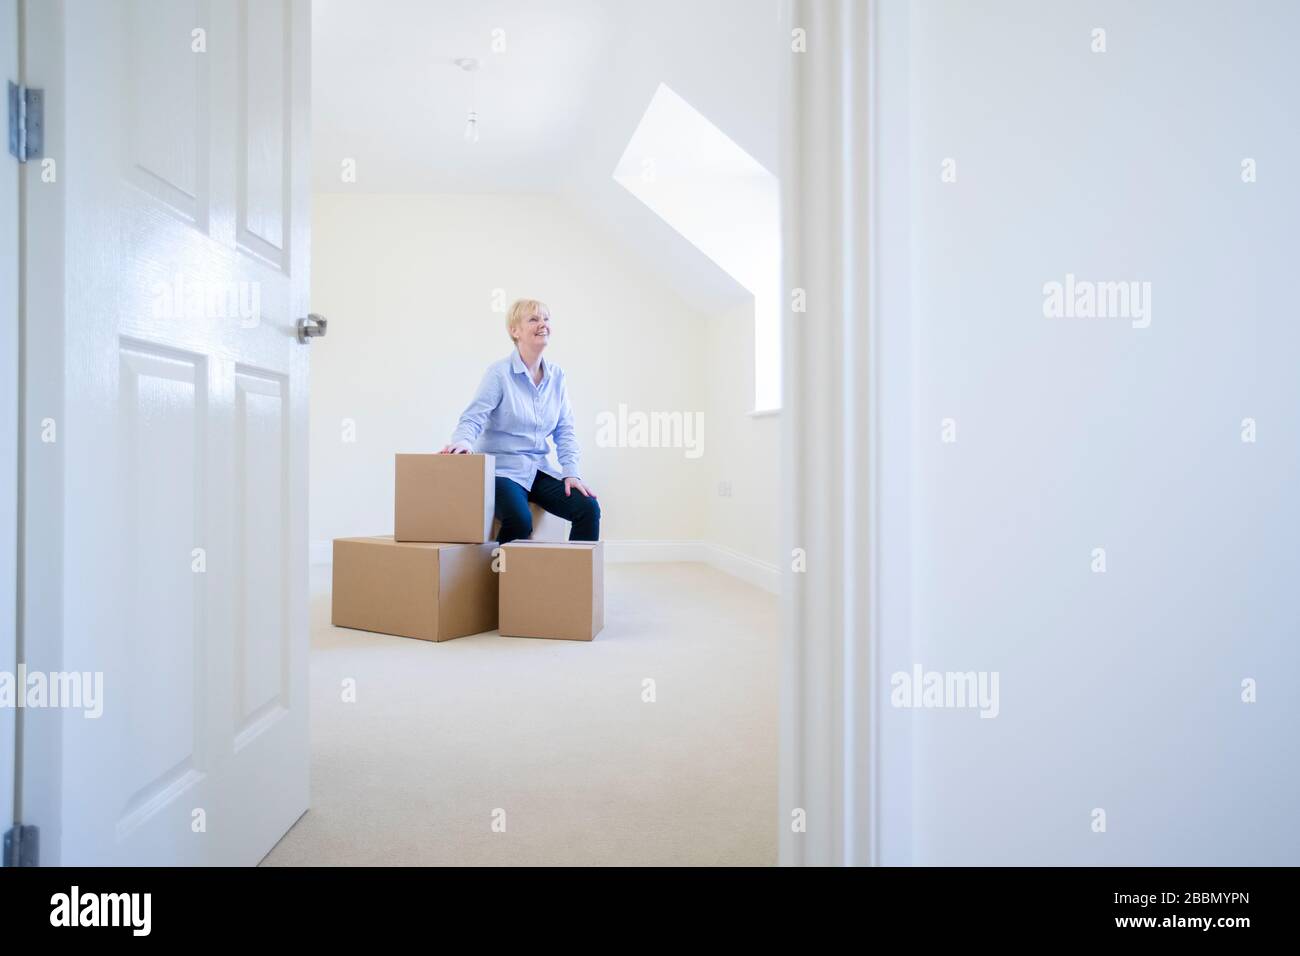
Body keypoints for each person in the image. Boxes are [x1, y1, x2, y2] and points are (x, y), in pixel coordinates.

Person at [440, 298, 600, 544]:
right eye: (534, 319)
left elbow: (565, 430)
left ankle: (576, 579)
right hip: (502, 471)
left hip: (537, 468)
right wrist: (462, 442)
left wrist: (571, 473)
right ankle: (501, 579)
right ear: (514, 331)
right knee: (519, 519)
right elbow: (473, 418)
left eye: (546, 318)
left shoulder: (557, 376)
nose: (543, 324)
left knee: (588, 508)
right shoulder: (499, 373)